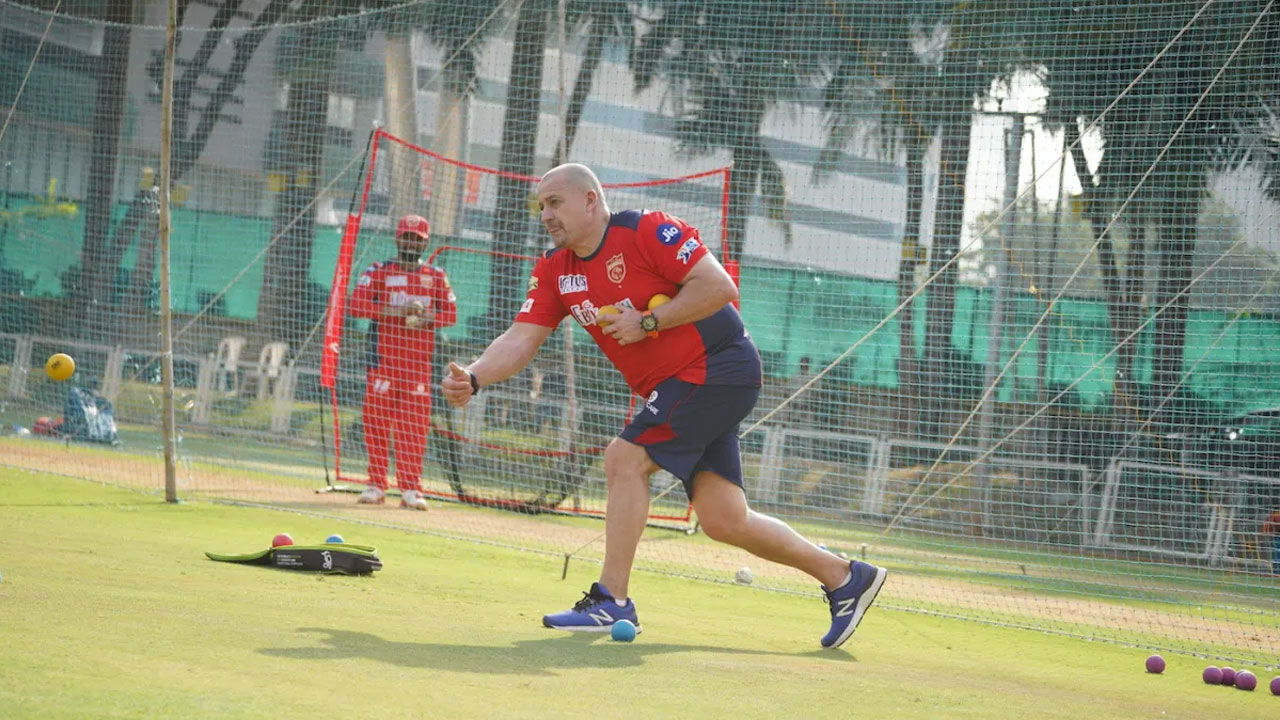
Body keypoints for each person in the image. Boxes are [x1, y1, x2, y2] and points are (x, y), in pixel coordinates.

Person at [441, 164, 886, 649]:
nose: (545, 214)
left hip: (718, 368)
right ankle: (846, 577)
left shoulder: (646, 229)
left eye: (555, 203)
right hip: (680, 386)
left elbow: (719, 287)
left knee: (624, 458)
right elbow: (522, 337)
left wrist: (649, 322)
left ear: (591, 200)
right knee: (723, 519)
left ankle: (612, 601)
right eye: (541, 206)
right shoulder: (555, 269)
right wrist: (477, 376)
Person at [349, 214, 457, 510]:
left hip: (419, 366)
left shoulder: (436, 275)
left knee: (414, 428)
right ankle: (375, 485)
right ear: (397, 239)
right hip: (384, 362)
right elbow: (356, 305)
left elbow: (450, 315)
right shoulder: (378, 270)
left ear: (425, 243)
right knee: (376, 424)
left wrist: (425, 316)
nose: (411, 243)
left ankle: (411, 489)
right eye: (406, 237)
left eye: (417, 239)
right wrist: (396, 312)